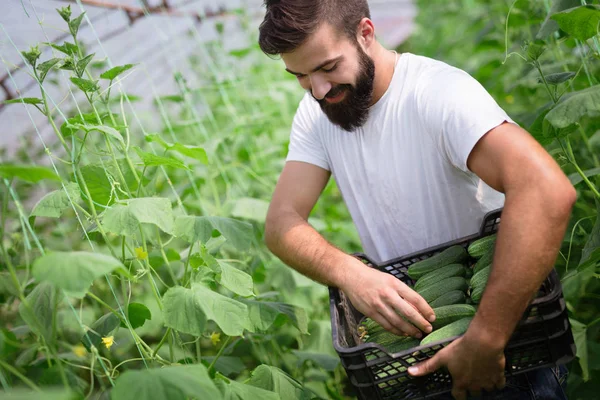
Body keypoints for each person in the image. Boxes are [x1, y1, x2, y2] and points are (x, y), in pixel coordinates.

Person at [258, 1, 575, 399]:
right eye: (300, 76)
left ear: (366, 33)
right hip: (419, 342)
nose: (317, 90)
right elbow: (281, 223)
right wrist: (350, 273)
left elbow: (547, 190)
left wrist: (488, 337)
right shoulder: (315, 114)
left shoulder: (438, 94)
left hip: (503, 346)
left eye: (327, 67)